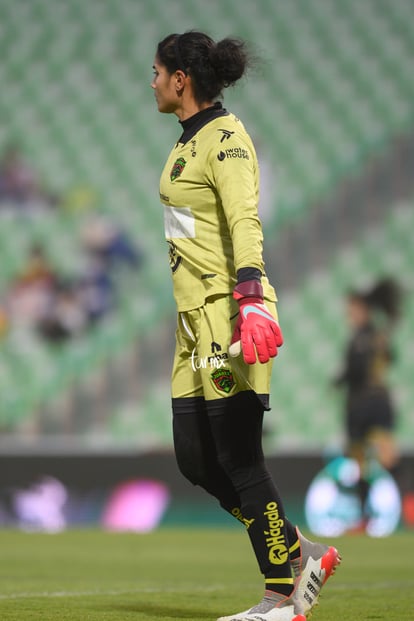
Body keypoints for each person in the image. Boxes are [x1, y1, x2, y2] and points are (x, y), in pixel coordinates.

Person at [151, 31, 340, 621]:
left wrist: (252, 297)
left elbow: (244, 220)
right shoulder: (189, 142)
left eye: (156, 72)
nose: (151, 82)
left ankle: (282, 595)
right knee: (195, 460)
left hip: (228, 315)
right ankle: (299, 551)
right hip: (191, 324)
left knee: (238, 458)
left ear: (181, 79)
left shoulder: (227, 139)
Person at [334, 278, 401, 525]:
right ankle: (364, 516)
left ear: (363, 309)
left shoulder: (370, 336)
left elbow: (363, 368)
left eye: (352, 308)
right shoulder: (367, 336)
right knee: (360, 460)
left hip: (370, 403)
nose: (349, 313)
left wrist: (341, 378)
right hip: (360, 403)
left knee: (381, 456)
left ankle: (401, 505)